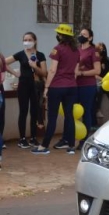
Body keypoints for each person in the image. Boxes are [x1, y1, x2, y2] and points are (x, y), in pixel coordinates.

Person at [32, 24, 80, 155]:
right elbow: (76, 71)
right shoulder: (76, 50)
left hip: (57, 86)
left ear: (60, 36)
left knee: (52, 117)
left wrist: (47, 87)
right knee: (69, 116)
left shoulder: (57, 49)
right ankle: (71, 146)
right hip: (71, 86)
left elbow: (52, 70)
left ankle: (44, 146)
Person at [5, 32, 47, 148]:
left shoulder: (40, 55)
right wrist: (15, 73)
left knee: (34, 111)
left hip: (36, 86)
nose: (27, 42)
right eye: (25, 39)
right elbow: (3, 62)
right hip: (23, 85)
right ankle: (22, 138)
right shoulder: (20, 54)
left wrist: (34, 66)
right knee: (23, 111)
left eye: (29, 39)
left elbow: (44, 72)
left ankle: (33, 138)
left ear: (35, 41)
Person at [74, 28, 101, 145]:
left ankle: (84, 140)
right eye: (81, 34)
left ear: (90, 38)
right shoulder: (77, 50)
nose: (81, 36)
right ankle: (69, 138)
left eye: (84, 34)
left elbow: (97, 70)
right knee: (73, 111)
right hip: (75, 84)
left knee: (86, 112)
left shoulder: (93, 51)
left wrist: (82, 73)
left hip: (88, 85)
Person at [93, 42, 109, 126]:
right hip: (98, 81)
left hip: (106, 81)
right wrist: (102, 79)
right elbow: (94, 74)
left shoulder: (107, 59)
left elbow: (107, 72)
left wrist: (106, 79)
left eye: (103, 49)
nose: (102, 51)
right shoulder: (94, 60)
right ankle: (97, 110)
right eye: (100, 49)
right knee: (98, 91)